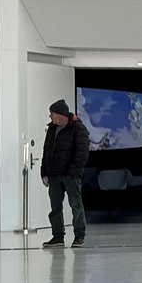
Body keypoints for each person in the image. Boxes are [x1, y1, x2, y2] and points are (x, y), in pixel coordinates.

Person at [40, 99, 89, 247]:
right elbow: (46, 151)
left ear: (61, 115)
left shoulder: (78, 128)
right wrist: (44, 171)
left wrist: (72, 172)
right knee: (55, 207)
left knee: (76, 206)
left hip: (71, 176)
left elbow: (82, 153)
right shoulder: (52, 129)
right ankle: (58, 236)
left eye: (52, 114)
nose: (50, 117)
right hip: (54, 175)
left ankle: (79, 236)